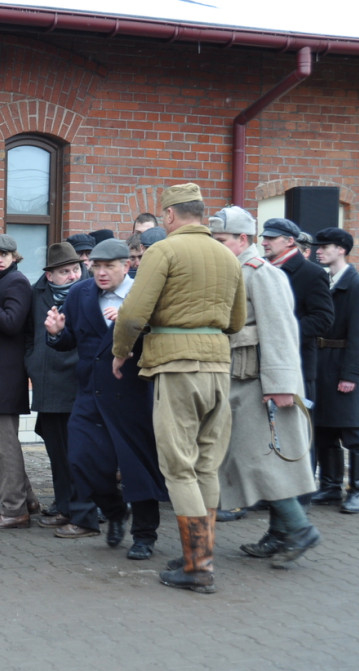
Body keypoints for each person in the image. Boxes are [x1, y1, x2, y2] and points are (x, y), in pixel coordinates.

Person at [113, 183, 246, 594]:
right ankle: (199, 555)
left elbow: (134, 312)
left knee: (178, 467)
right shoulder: (228, 255)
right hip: (219, 366)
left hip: (176, 367)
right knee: (206, 465)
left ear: (169, 216)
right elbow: (237, 320)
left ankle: (198, 566)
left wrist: (121, 351)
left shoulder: (163, 251)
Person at [210, 206, 320, 567]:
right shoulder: (233, 270)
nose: (217, 245)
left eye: (222, 240)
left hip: (260, 384)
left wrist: (282, 384)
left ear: (243, 240)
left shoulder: (261, 273)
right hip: (239, 381)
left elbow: (282, 332)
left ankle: (298, 529)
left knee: (260, 461)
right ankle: (279, 533)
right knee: (256, 460)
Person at [45, 239, 167, 559]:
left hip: (132, 394)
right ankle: (114, 513)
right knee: (82, 460)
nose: (101, 273)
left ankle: (144, 535)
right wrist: (57, 333)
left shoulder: (144, 295)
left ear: (126, 266)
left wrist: (132, 325)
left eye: (109, 266)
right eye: (96, 266)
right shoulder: (80, 294)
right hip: (90, 394)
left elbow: (161, 339)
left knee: (137, 468)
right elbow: (71, 340)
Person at [261, 217, 334, 505]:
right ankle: (274, 493)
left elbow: (324, 319)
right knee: (272, 430)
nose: (264, 241)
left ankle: (301, 495)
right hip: (267, 364)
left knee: (300, 432)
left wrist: (281, 328)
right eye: (263, 237)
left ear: (290, 241)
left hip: (299, 366)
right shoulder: (263, 270)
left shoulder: (311, 273)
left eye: (271, 237)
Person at [26, 243, 99, 532]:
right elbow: (29, 332)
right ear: (49, 276)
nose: (71, 275)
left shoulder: (88, 292)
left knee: (77, 450)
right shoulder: (38, 293)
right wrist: (31, 360)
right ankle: (64, 504)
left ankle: (82, 511)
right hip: (46, 380)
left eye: (74, 269)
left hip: (76, 380)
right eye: (63, 271)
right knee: (55, 447)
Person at [0, 234, 37, 529]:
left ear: (15, 256)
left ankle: (14, 511)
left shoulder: (16, 282)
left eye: (5, 253)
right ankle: (28, 500)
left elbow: (12, 322)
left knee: (3, 446)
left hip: (6, 376)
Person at [312, 227, 359, 514]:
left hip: (343, 362)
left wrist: (350, 375)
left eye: (325, 246)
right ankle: (329, 487)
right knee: (324, 429)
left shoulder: (354, 284)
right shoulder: (325, 280)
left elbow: (358, 334)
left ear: (341, 249)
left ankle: (356, 488)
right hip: (321, 361)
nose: (318, 250)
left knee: (353, 431)